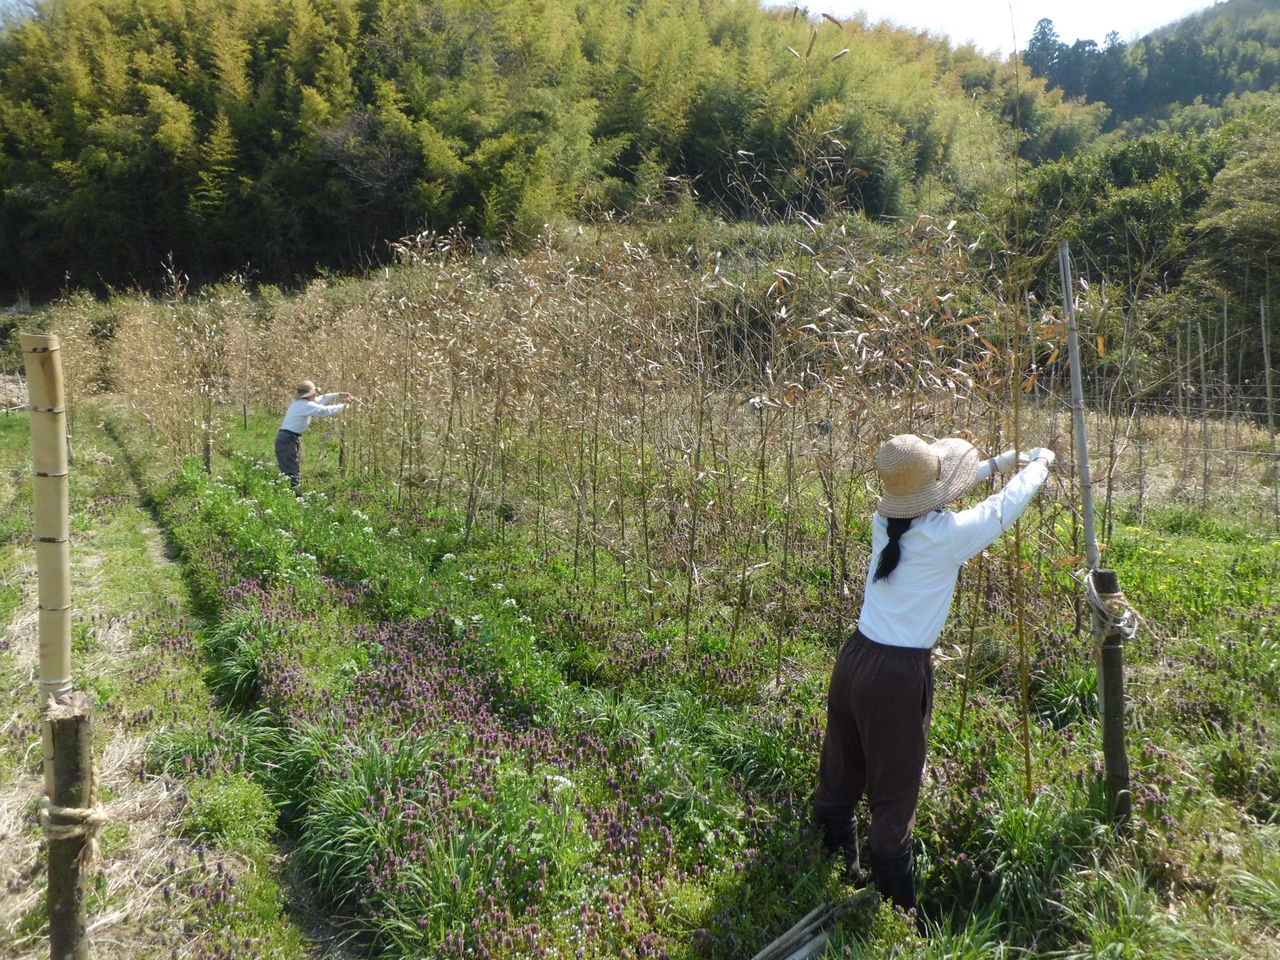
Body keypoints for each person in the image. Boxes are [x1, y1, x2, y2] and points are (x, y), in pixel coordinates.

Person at [812, 433, 1055, 914]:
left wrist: (1004, 459)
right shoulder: (948, 536)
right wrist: (1039, 464)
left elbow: (957, 486)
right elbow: (1004, 507)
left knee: (844, 762)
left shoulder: (887, 520)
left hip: (855, 657)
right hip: (896, 677)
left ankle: (827, 861)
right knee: (896, 784)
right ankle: (897, 910)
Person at [275, 380, 354, 490]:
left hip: (287, 438)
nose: (316, 394)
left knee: (290, 466)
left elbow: (322, 400)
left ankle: (290, 491)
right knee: (291, 469)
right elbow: (324, 411)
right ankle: (293, 494)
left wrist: (339, 394)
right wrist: (344, 405)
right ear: (311, 394)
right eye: (315, 392)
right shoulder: (306, 405)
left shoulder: (300, 403)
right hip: (288, 439)